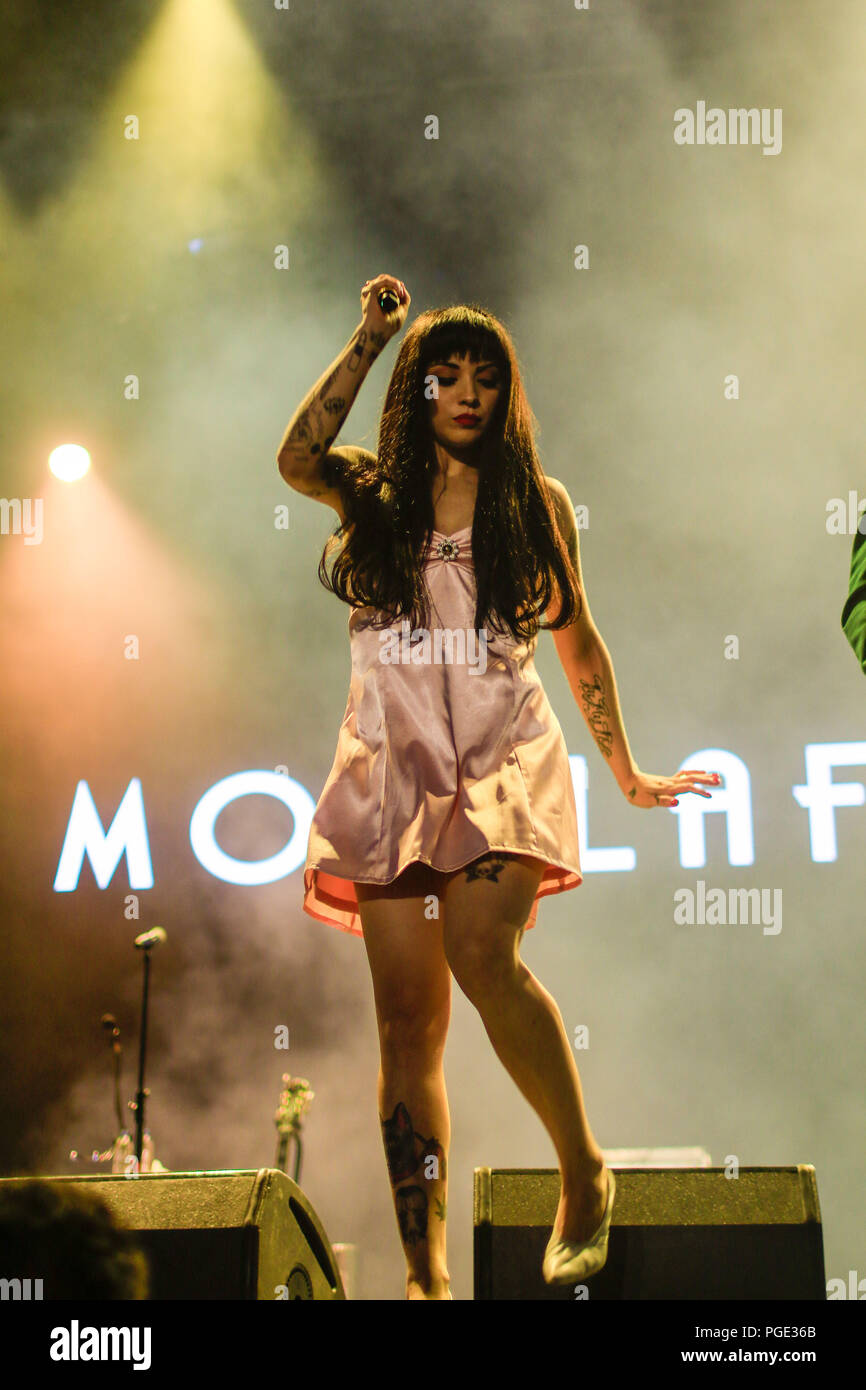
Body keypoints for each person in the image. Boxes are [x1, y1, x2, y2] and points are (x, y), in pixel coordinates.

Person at [276, 275, 720, 1299]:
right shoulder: (369, 492)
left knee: (482, 953)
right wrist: (369, 338)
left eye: (487, 377)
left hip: (499, 754)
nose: (468, 392)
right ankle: (426, 1277)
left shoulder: (535, 502)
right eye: (446, 375)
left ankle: (582, 1170)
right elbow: (294, 455)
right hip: (389, 764)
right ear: (416, 388)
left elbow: (579, 644)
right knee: (405, 1027)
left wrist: (626, 772)